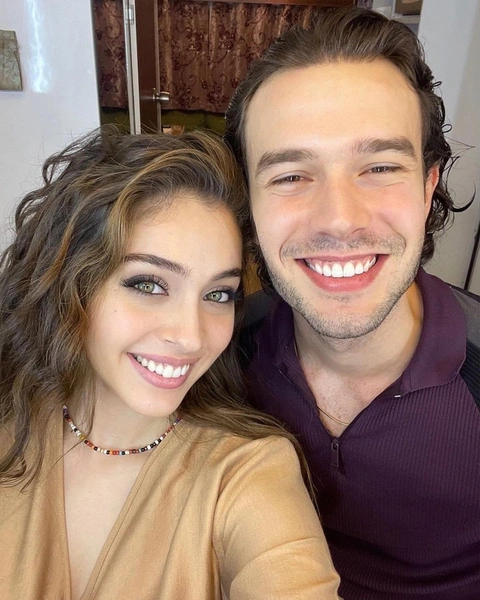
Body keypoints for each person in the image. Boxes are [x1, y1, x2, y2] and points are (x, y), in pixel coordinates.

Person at [0, 129, 341, 600]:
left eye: (218, 294)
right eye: (148, 284)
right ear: (71, 283)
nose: (191, 336)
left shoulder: (247, 471)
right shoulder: (12, 424)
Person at [225, 7, 480, 600]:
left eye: (380, 167)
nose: (339, 219)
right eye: (291, 176)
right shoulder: (218, 350)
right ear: (249, 203)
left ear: (428, 188)